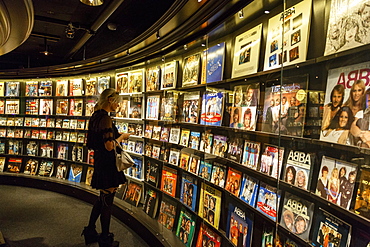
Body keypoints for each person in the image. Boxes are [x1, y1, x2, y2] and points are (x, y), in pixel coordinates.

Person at [83, 88, 130, 247]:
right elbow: (109, 146)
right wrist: (122, 137)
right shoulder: (106, 119)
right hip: (108, 163)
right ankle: (105, 238)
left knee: (102, 197)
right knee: (107, 200)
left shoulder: (95, 116)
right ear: (110, 100)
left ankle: (90, 230)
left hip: (100, 161)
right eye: (117, 102)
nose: (118, 105)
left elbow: (95, 142)